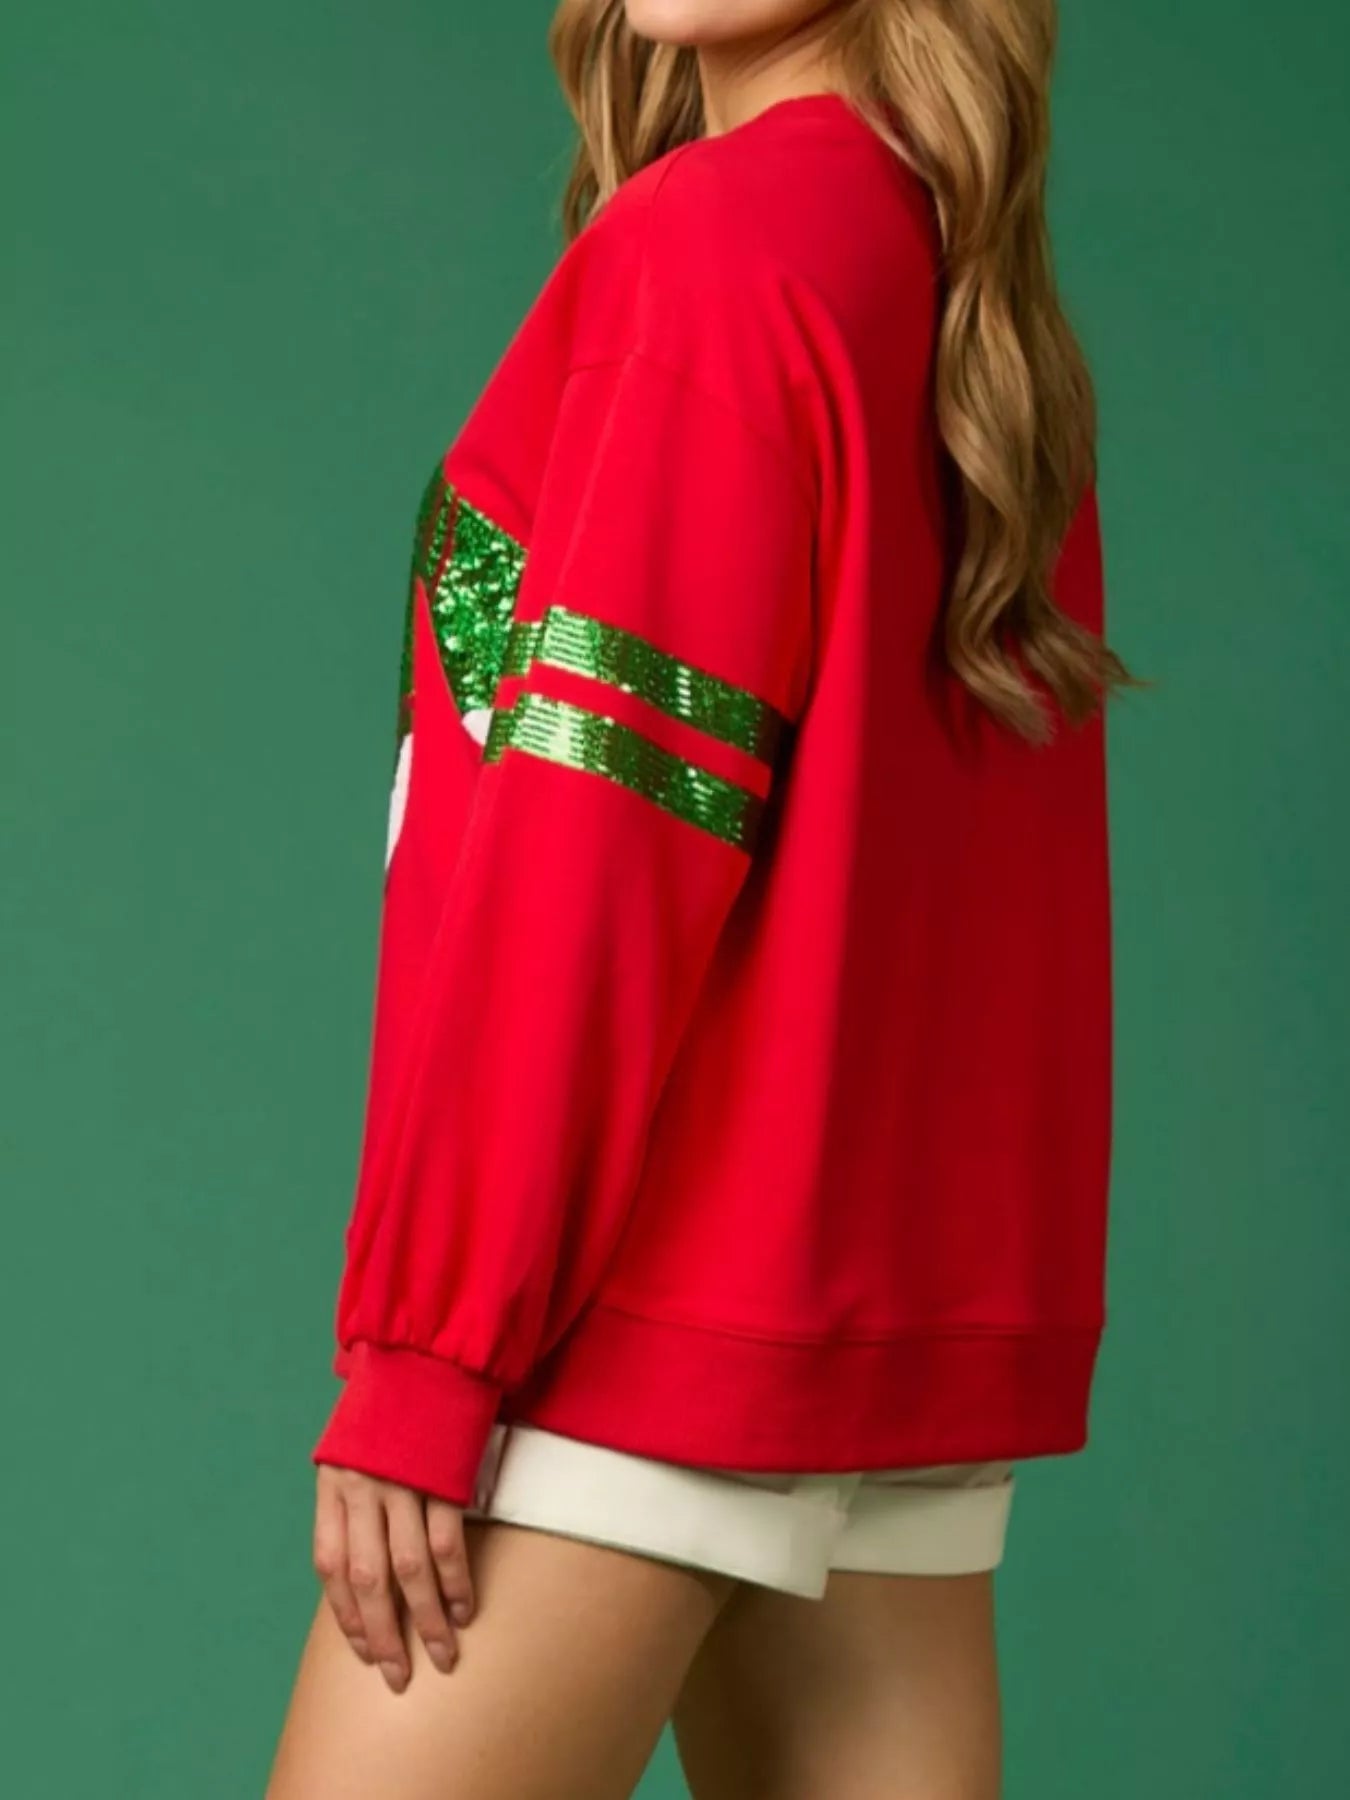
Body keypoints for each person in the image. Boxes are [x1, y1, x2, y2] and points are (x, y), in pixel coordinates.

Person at [267, 1, 1129, 1795]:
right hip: (883, 1359)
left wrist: (430, 1349)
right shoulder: (954, 281)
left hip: (630, 1331)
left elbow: (594, 852)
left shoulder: (714, 243)